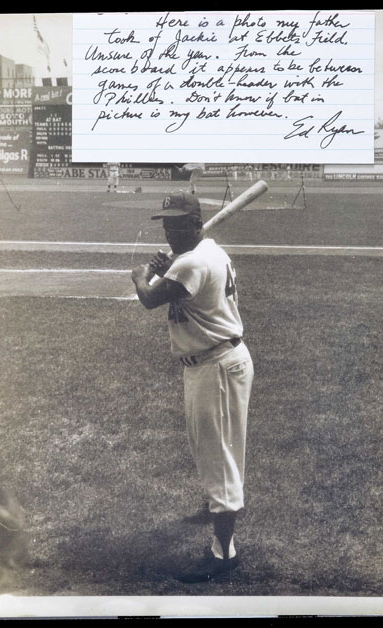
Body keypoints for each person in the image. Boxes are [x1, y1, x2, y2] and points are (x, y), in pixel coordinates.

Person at [131, 192, 254, 583]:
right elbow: (189, 276)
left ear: (195, 224)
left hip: (214, 365)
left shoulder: (193, 261)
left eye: (178, 223)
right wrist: (173, 265)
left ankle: (224, 552)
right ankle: (220, 508)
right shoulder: (210, 251)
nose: (169, 230)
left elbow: (150, 298)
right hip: (222, 359)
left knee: (217, 455)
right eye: (166, 223)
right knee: (219, 449)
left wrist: (141, 275)